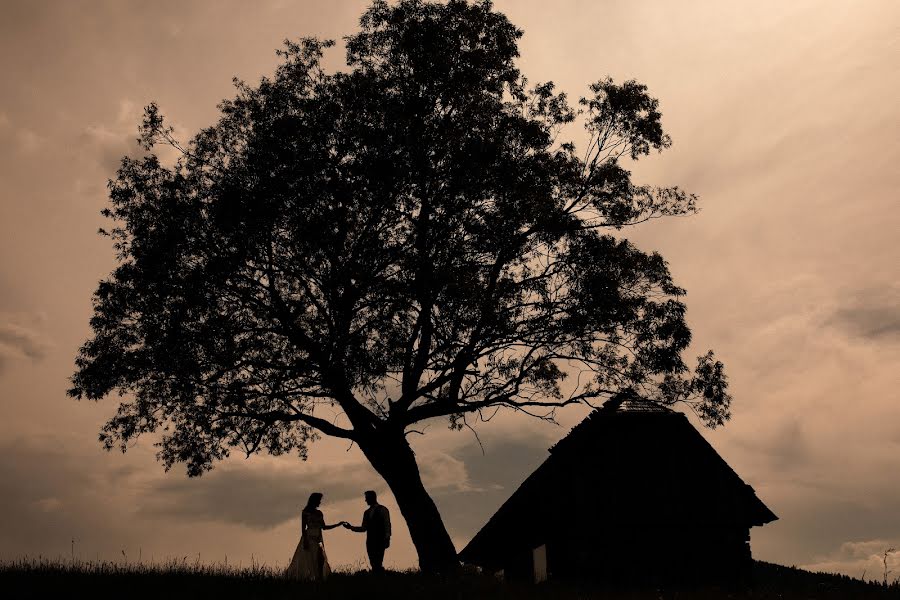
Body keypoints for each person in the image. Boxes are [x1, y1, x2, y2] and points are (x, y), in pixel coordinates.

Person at [285, 492, 346, 581]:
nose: (320, 502)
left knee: (320, 559)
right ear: (315, 500)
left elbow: (324, 527)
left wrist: (337, 524)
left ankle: (319, 578)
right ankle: (311, 579)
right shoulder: (305, 512)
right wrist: (305, 541)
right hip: (308, 539)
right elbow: (303, 528)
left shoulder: (319, 513)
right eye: (319, 500)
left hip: (317, 540)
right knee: (308, 560)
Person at [343, 490, 391, 573]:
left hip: (380, 539)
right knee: (373, 562)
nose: (365, 500)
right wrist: (351, 527)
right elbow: (363, 528)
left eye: (367, 498)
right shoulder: (366, 512)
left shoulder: (383, 509)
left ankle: (379, 577)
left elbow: (387, 525)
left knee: (378, 561)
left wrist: (387, 538)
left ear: (372, 498)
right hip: (370, 540)